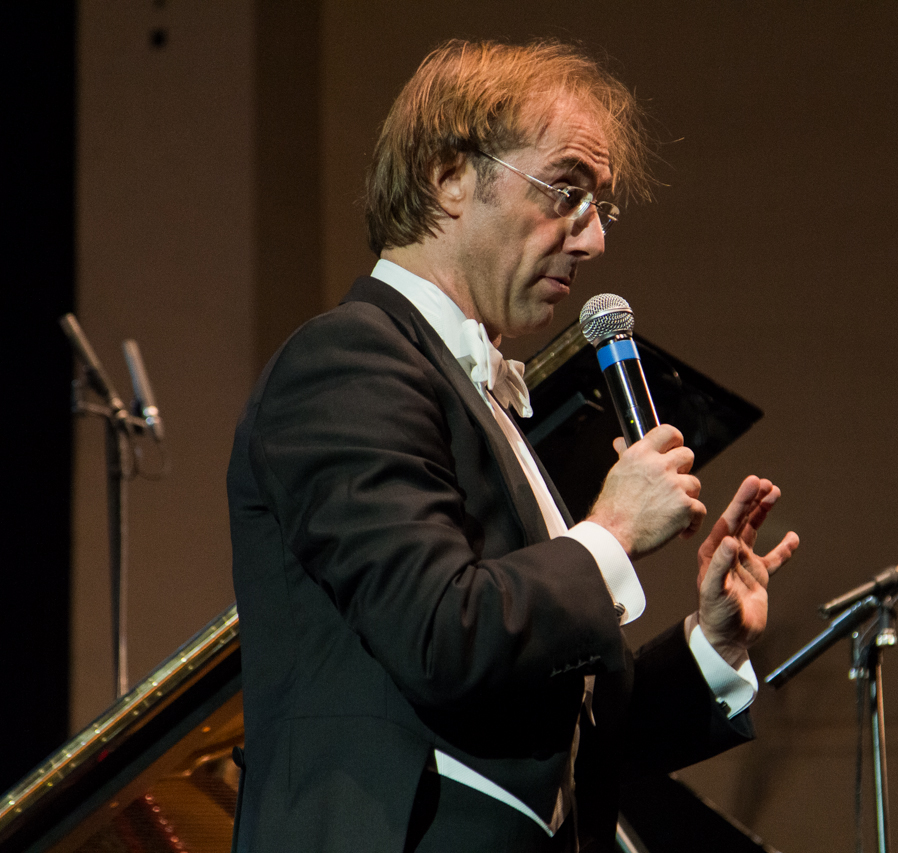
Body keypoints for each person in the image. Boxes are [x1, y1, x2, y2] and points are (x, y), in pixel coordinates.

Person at [227, 38, 798, 853]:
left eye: (599, 207)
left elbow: (562, 742)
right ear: (449, 177)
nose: (593, 241)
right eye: (566, 192)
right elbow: (440, 633)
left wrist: (713, 645)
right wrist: (611, 532)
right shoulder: (348, 359)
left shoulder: (484, 396)